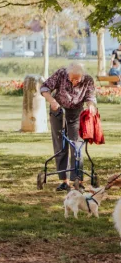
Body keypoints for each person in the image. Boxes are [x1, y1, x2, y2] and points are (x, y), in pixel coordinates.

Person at [41, 62, 98, 191]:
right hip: (58, 110)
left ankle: (78, 180)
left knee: (76, 145)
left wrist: (90, 105)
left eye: (77, 79)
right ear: (67, 74)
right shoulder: (61, 74)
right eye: (71, 79)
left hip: (76, 113)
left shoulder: (88, 80)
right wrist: (52, 101)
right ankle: (64, 181)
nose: (73, 82)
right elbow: (44, 88)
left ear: (82, 76)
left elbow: (90, 96)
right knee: (60, 145)